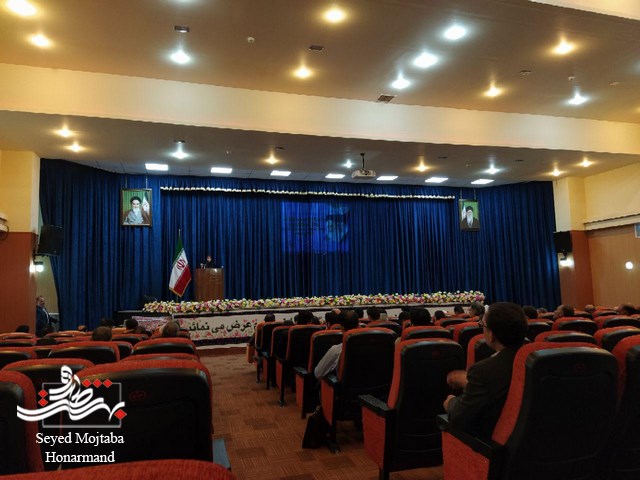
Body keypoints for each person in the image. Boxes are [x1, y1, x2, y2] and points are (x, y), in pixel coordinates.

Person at [443, 302, 528, 438]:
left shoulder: (483, 371)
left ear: (491, 335)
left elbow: (459, 417)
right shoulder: (533, 358)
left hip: (490, 443)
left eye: (482, 326)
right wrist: (471, 383)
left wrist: (451, 403)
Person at [314, 310, 359, 379]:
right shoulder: (371, 347)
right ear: (358, 325)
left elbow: (318, 373)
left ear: (341, 327)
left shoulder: (337, 350)